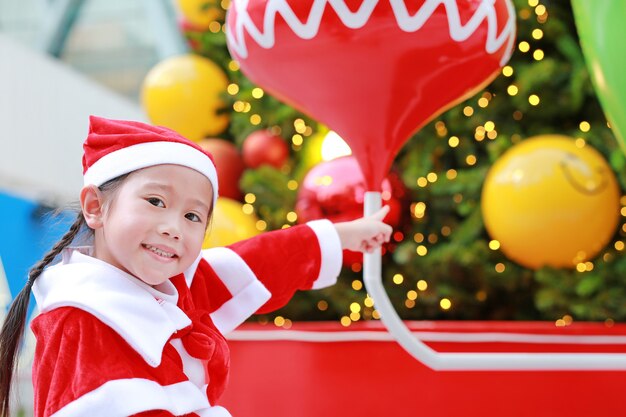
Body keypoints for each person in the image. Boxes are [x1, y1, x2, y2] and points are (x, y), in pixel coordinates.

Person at [0, 116, 392, 417]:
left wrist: (340, 236)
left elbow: (257, 260)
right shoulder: (82, 314)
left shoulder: (170, 286)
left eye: (192, 216)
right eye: (155, 201)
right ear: (95, 206)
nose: (173, 228)